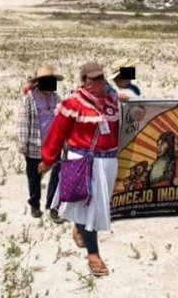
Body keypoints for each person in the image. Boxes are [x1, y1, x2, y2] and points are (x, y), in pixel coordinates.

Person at [38, 61, 119, 277]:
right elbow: (57, 133)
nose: (98, 83)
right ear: (84, 80)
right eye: (93, 79)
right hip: (82, 161)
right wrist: (47, 159)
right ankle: (94, 254)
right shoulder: (73, 103)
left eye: (100, 78)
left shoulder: (111, 102)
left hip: (107, 163)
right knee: (88, 206)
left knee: (94, 207)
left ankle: (79, 227)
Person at [16, 66, 63, 219]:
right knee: (34, 177)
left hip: (53, 145)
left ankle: (52, 205)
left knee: (57, 173)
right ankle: (34, 205)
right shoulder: (29, 99)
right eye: (46, 81)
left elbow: (61, 120)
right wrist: (22, 144)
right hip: (34, 146)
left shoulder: (56, 98)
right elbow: (23, 122)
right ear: (38, 82)